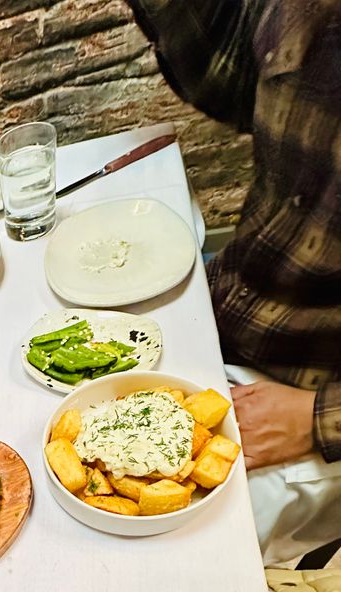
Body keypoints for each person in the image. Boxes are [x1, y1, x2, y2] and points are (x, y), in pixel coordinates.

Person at [125, 0, 341, 563]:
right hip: (224, 311)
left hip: (303, 396)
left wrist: (314, 418)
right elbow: (226, 75)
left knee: (158, 565)